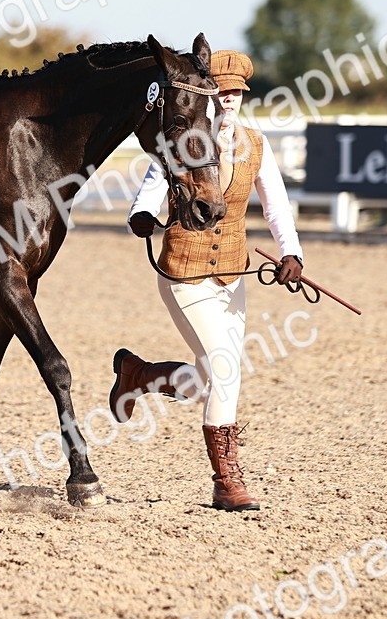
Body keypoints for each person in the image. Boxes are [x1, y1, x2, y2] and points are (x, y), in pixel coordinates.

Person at [110, 49, 304, 511]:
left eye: (237, 92)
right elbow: (150, 190)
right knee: (226, 372)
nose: (230, 99)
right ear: (206, 95)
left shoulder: (256, 144)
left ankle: (140, 374)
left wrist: (291, 252)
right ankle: (226, 481)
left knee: (209, 380)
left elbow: (276, 205)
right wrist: (142, 214)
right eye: (222, 91)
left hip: (233, 274)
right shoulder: (185, 143)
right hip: (184, 271)